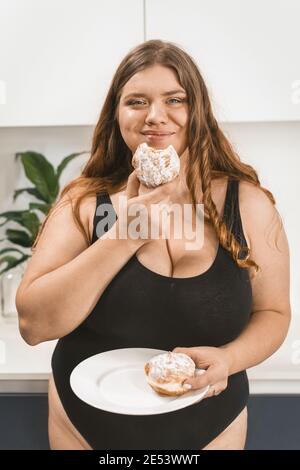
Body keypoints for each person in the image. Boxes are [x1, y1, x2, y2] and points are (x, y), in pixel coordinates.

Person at [16, 39, 291, 450]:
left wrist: (230, 360)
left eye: (174, 99)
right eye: (137, 102)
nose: (155, 117)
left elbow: (274, 312)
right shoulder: (85, 204)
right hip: (87, 430)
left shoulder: (247, 204)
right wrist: (125, 235)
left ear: (197, 111)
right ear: (117, 115)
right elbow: (34, 326)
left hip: (211, 426)